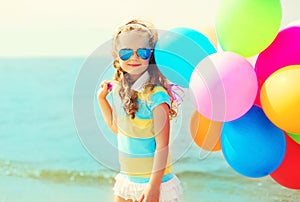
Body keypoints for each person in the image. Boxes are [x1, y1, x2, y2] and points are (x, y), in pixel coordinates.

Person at [97, 19, 183, 202]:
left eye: (142, 52)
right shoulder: (119, 90)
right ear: (116, 55)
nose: (134, 57)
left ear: (150, 56)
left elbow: (162, 146)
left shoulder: (157, 97)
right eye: (126, 52)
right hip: (127, 181)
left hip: (155, 183)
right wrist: (102, 99)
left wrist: (153, 188)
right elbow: (117, 128)